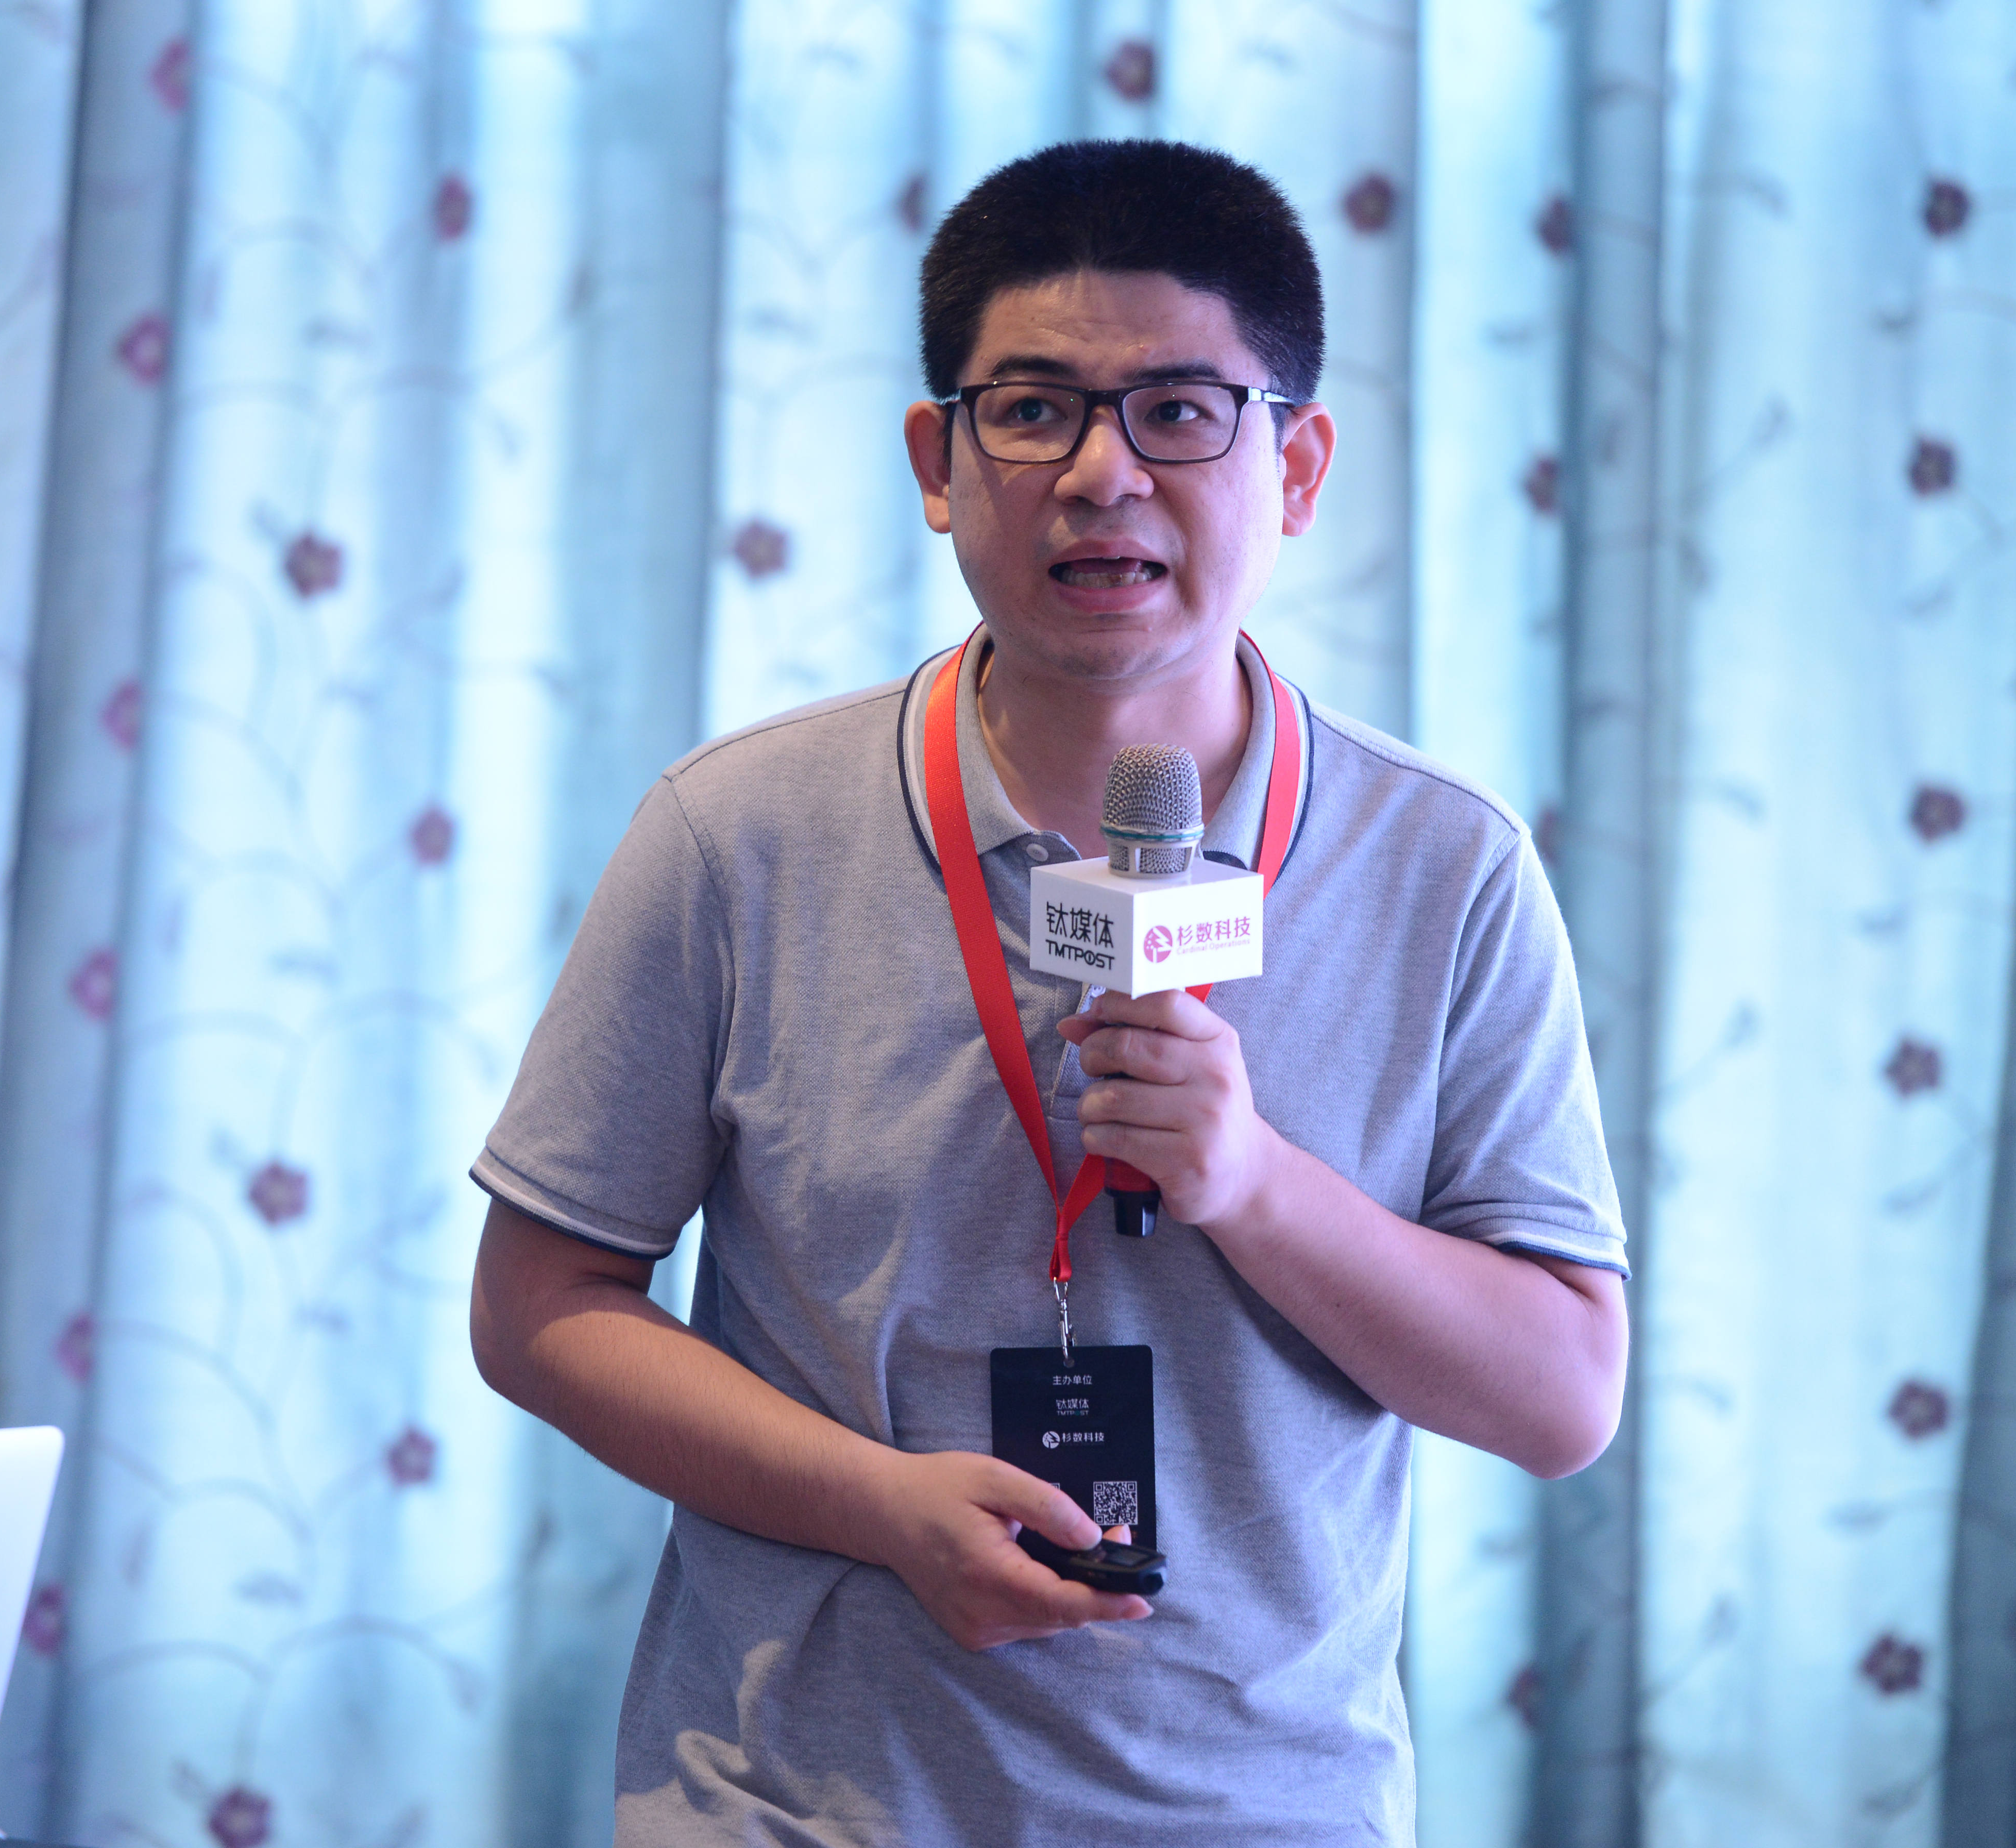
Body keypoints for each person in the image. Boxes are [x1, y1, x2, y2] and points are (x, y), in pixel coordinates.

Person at [468, 139, 1628, 1845]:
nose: (1103, 473)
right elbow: (538, 1304)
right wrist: (878, 1505)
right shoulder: (735, 834)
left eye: (1180, 412)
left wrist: (1256, 1184)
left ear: (1299, 467)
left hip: (1264, 1812)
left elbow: (1563, 1393)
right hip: (800, 1807)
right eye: (1031, 410)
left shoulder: (1448, 867)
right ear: (937, 463)